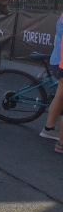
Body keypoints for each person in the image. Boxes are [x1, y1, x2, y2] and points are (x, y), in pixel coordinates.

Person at [41, 12, 63, 145]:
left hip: (58, 61)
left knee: (60, 97)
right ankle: (61, 143)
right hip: (61, 62)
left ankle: (48, 129)